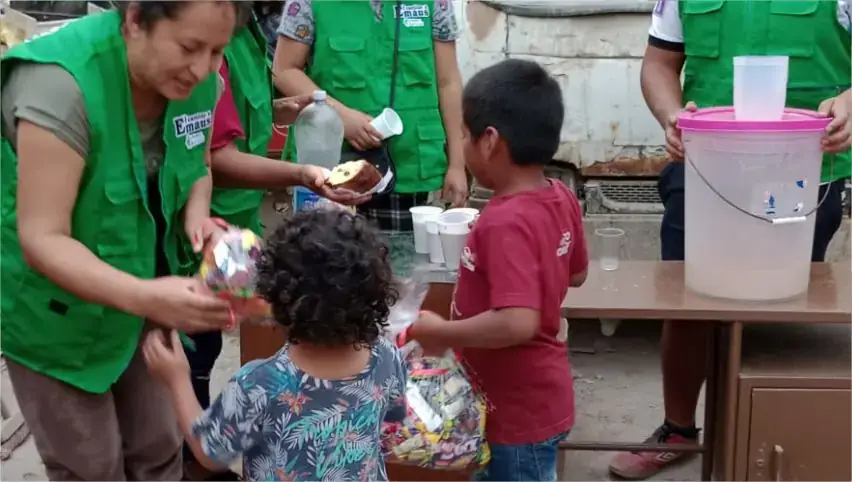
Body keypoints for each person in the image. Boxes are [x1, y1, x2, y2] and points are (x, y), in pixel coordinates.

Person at [0, 1, 250, 480]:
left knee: (159, 448)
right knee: (90, 465)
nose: (202, 69)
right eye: (189, 47)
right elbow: (41, 235)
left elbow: (197, 163)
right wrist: (147, 296)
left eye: (218, 51)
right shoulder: (61, 85)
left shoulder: (201, 82)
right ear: (135, 20)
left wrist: (197, 217)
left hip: (146, 295)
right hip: (56, 318)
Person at [609, 1, 852, 479]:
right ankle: (678, 430)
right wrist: (671, 113)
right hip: (705, 169)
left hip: (801, 174)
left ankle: (767, 438)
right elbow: (659, 63)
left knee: (781, 304)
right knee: (686, 299)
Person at [181, 8, 366, 480]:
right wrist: (302, 173)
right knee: (194, 351)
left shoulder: (258, 384)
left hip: (232, 227)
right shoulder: (381, 363)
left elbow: (240, 116)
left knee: (197, 355)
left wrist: (285, 109)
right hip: (205, 234)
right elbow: (213, 155)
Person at [405, 58, 589, 481]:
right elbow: (576, 272)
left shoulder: (505, 220)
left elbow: (517, 323)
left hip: (517, 410)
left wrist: (440, 332)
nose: (464, 147)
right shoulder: (559, 195)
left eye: (466, 135)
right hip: (534, 395)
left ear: (489, 141)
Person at [144, 208, 408, 482]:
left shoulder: (258, 385)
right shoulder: (385, 355)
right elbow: (395, 411)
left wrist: (177, 380)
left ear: (277, 298)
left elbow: (210, 454)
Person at [273, 0, 469, 232]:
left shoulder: (436, 3)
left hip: (413, 168)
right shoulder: (308, 3)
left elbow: (448, 83)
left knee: (409, 263)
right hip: (333, 169)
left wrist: (457, 164)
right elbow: (284, 70)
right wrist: (340, 117)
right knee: (330, 261)